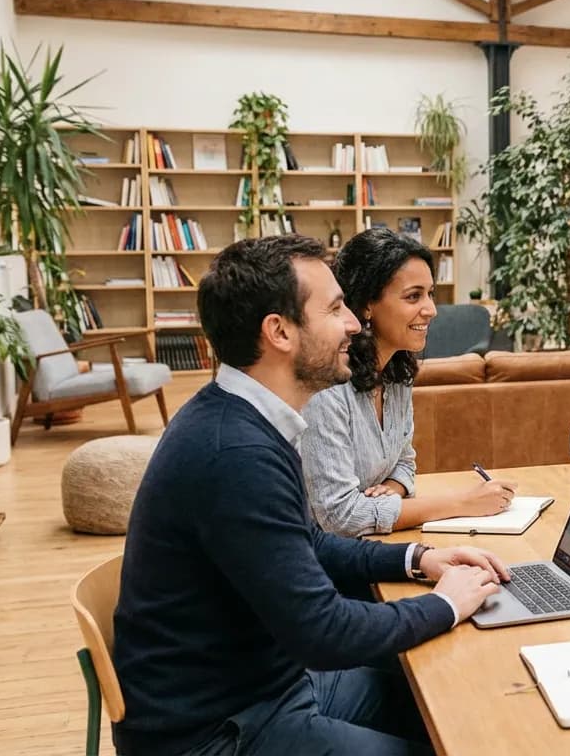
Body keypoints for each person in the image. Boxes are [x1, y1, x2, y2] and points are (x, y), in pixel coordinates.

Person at [112, 235, 512, 755]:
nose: (352, 323)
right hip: (217, 730)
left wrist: (419, 559)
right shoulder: (234, 453)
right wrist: (444, 606)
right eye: (335, 308)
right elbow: (323, 632)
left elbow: (309, 545)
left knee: (453, 710)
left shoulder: (243, 419)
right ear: (279, 332)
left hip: (265, 686)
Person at [301, 228, 516, 538]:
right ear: (366, 305)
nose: (430, 309)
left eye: (430, 294)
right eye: (413, 296)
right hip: (323, 564)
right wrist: (461, 503)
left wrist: (392, 488)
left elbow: (405, 463)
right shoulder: (326, 386)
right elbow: (340, 517)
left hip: (371, 546)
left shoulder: (396, 374)